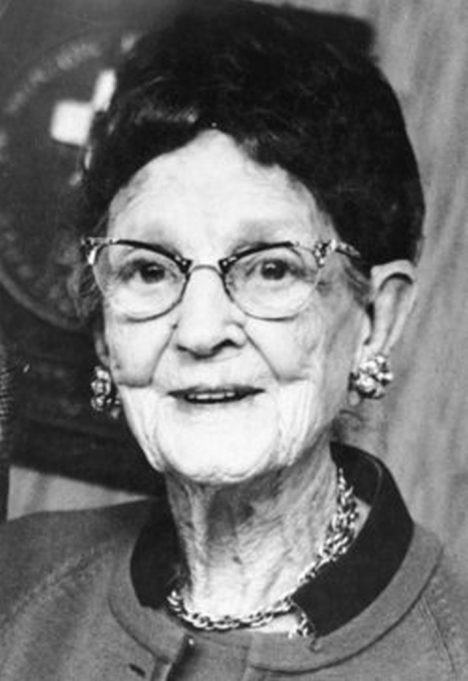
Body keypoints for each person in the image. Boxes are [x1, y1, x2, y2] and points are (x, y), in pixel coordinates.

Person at [0, 1, 467, 678]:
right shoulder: (15, 585)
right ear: (102, 327)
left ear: (375, 319)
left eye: (271, 269)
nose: (199, 331)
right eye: (150, 270)